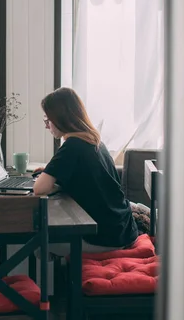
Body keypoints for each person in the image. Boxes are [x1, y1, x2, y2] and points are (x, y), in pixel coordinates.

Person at [33, 87, 143, 255]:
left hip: (105, 239)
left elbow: (39, 189)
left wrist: (49, 175)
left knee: (35, 244)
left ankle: (60, 278)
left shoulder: (72, 145)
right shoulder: (93, 139)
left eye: (48, 119)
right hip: (122, 230)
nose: (47, 125)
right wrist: (53, 173)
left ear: (61, 118)